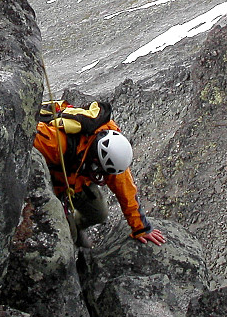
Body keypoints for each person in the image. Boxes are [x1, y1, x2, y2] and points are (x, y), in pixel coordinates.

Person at [33, 100, 166, 247]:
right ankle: (72, 234)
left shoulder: (113, 153)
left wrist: (141, 228)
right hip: (53, 184)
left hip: (77, 182)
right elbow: (26, 136)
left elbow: (125, 189)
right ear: (96, 158)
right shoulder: (56, 143)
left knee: (98, 213)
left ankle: (75, 227)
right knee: (66, 233)